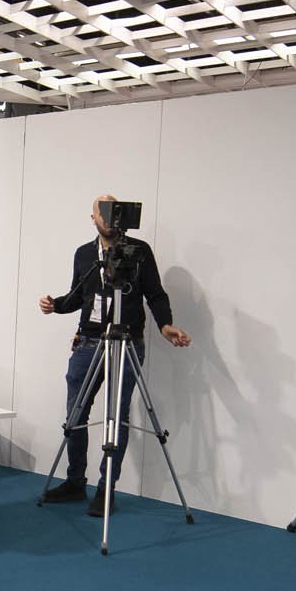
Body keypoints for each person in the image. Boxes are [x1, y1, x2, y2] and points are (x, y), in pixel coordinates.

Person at [38, 194, 191, 518]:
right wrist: (56, 305)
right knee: (76, 414)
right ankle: (75, 481)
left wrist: (165, 325)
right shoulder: (84, 254)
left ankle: (106, 488)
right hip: (88, 343)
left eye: (114, 211)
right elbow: (79, 296)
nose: (109, 218)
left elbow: (155, 294)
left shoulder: (139, 252)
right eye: (103, 212)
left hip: (128, 342)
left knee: (116, 416)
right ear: (93, 218)